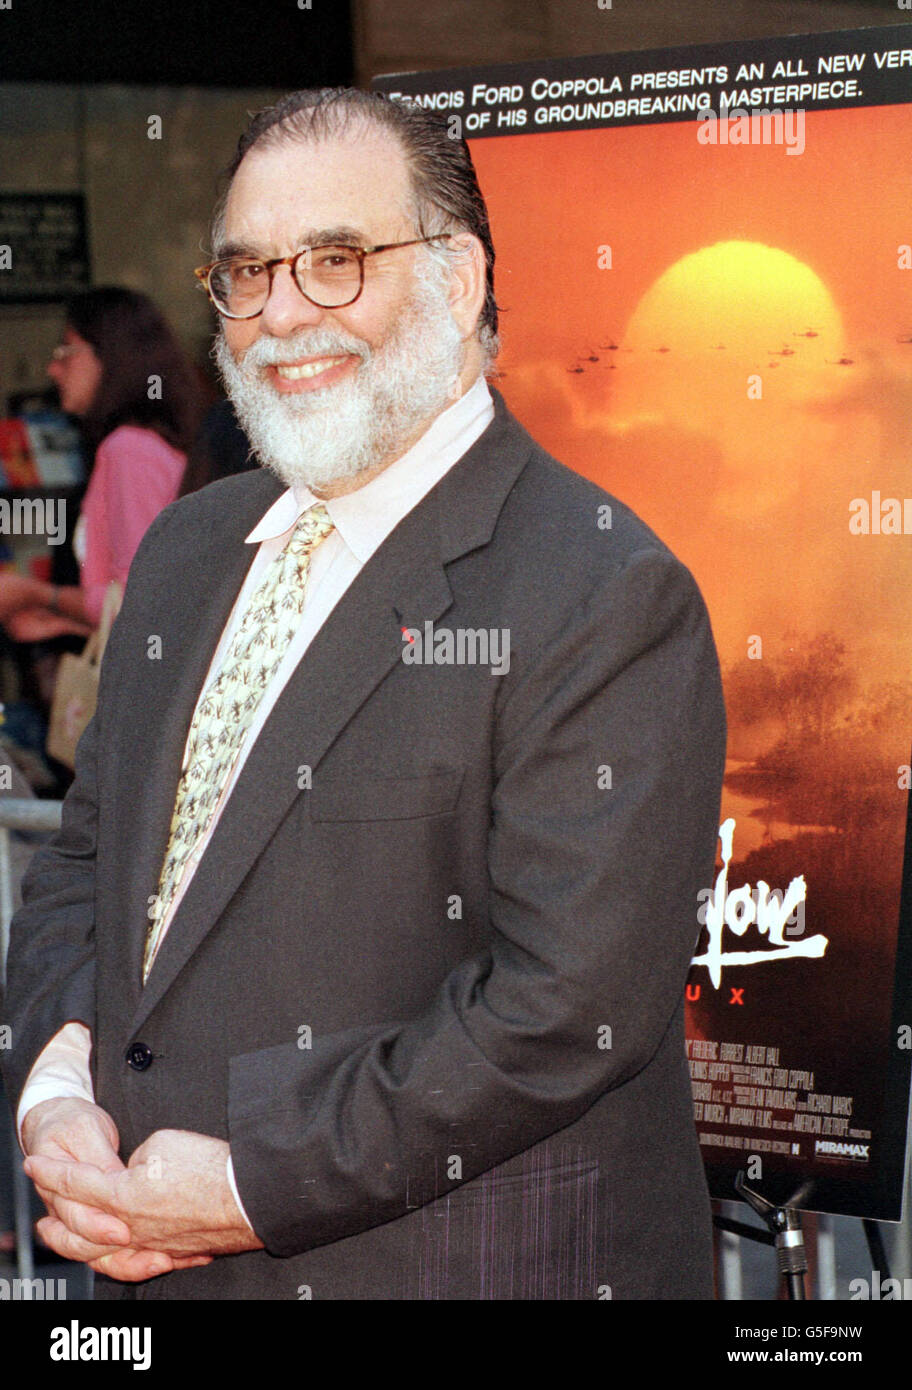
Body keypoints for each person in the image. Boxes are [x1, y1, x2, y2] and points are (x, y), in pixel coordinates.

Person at [1, 89, 726, 1300]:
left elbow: (560, 1010)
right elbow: (85, 861)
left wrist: (243, 1190)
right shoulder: (187, 552)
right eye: (245, 272)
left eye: (335, 263)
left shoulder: (602, 590)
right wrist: (55, 1096)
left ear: (456, 280)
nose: (281, 312)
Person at [0, 287, 203, 645]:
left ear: (110, 357)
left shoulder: (130, 450)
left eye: (66, 351)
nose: (53, 368)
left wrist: (37, 595)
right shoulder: (151, 444)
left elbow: (141, 603)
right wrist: (64, 621)